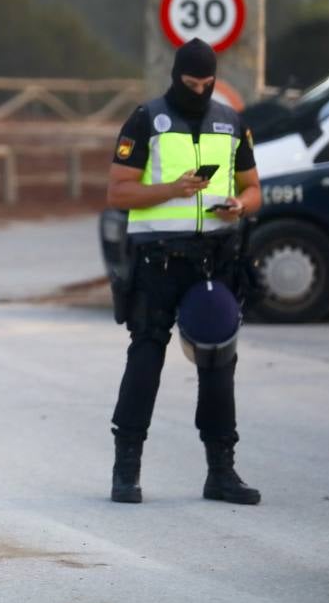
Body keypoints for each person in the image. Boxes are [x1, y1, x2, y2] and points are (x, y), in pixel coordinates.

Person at [106, 38, 262, 506]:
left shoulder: (231, 124)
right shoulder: (146, 120)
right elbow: (119, 193)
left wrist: (239, 206)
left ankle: (221, 472)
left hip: (214, 260)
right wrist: (172, 188)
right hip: (158, 261)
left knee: (218, 358)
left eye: (206, 84)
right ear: (175, 77)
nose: (197, 90)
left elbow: (254, 189)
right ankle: (126, 471)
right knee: (146, 356)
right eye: (189, 83)